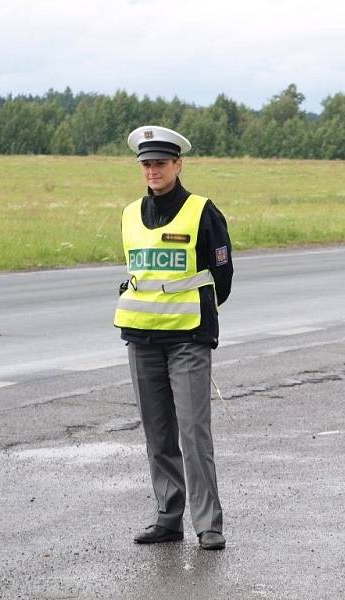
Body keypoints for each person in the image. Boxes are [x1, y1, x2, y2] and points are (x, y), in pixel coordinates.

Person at [114, 125, 233, 549]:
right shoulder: (129, 213)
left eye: (160, 163)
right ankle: (168, 515)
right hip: (141, 338)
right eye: (146, 164)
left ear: (178, 164)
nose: (152, 170)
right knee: (157, 431)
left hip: (187, 337)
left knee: (193, 431)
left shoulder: (203, 211)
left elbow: (223, 276)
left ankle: (208, 524)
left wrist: (195, 314)